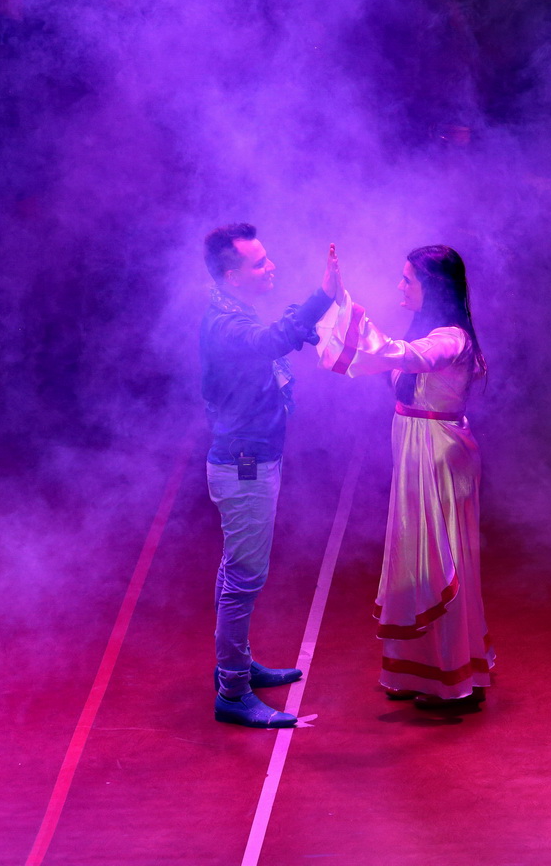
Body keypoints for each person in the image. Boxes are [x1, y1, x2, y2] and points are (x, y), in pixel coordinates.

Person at [315, 244, 493, 709]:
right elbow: (382, 362)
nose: (400, 286)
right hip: (417, 450)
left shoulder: (451, 339)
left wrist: (349, 306)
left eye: (408, 279)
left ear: (432, 287)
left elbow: (402, 355)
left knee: (439, 557)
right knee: (416, 553)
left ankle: (450, 677)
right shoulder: (428, 334)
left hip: (438, 455)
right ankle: (419, 670)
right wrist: (333, 301)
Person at [200, 223, 337, 728]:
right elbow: (271, 340)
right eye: (259, 263)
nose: (270, 266)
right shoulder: (227, 324)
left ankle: (234, 665)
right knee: (245, 578)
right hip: (245, 464)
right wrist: (323, 296)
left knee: (235, 568)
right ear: (233, 276)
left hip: (247, 458)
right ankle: (234, 692)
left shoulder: (231, 309)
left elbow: (271, 340)